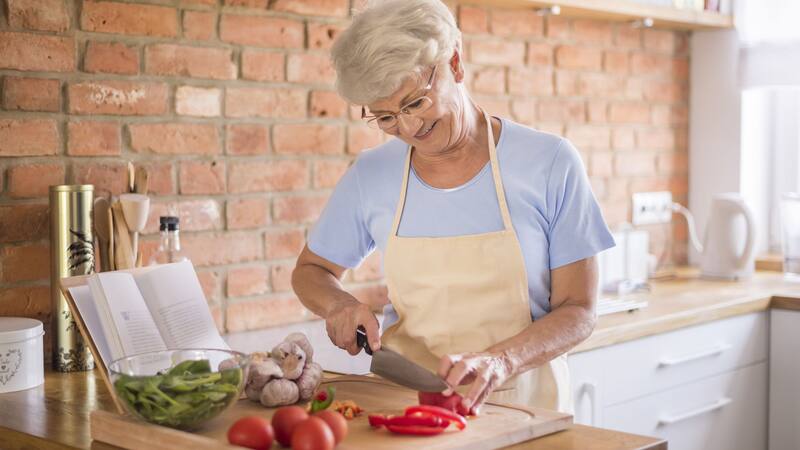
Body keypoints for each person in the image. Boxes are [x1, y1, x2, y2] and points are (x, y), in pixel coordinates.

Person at [291, 0, 614, 414]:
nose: (409, 128)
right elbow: (311, 270)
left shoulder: (550, 163)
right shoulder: (371, 174)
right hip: (404, 405)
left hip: (521, 407)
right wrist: (338, 305)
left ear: (455, 63)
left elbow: (579, 309)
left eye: (415, 103)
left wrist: (502, 360)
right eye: (386, 118)